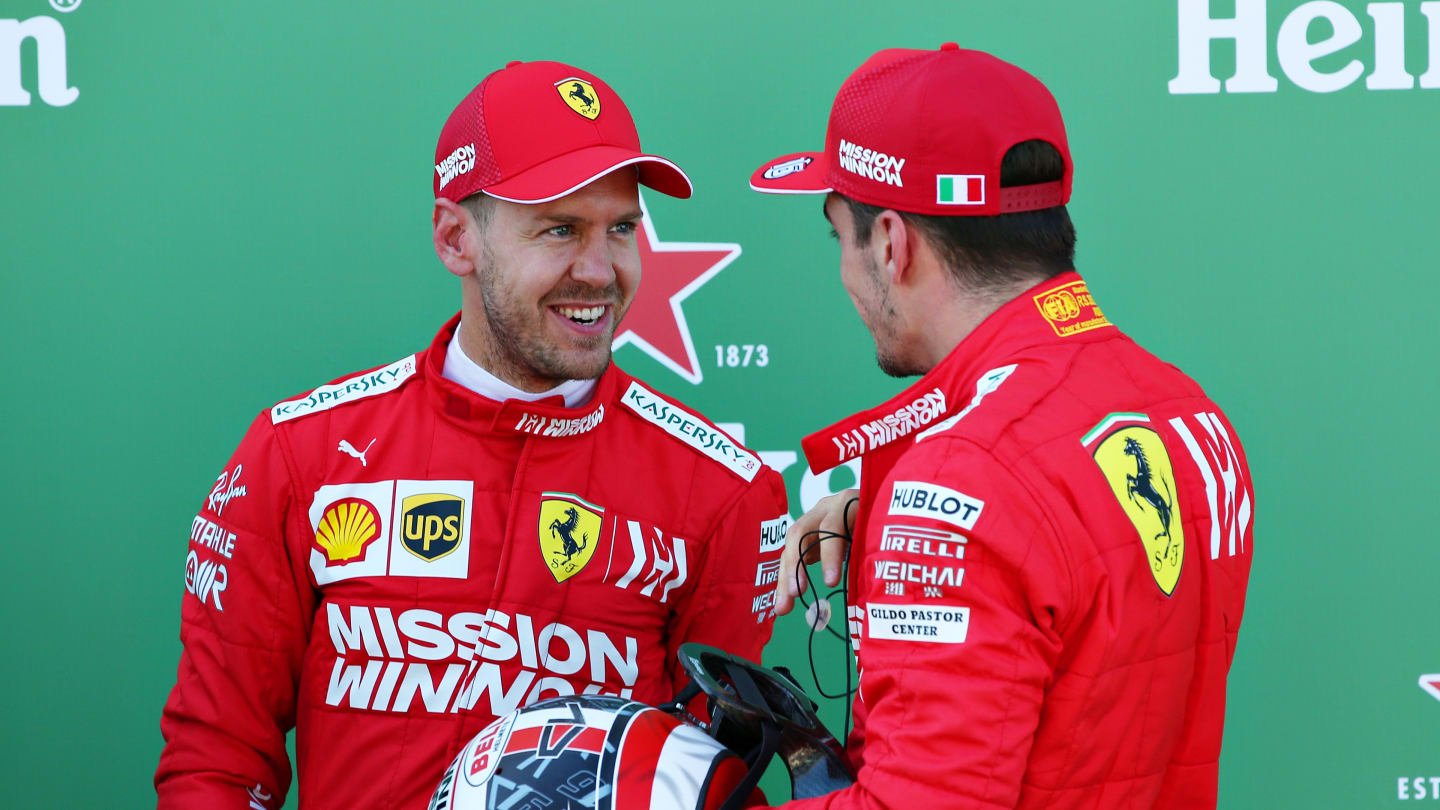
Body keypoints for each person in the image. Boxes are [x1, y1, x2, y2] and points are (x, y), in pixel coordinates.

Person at [156, 60, 789, 810]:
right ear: (457, 239)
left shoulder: (723, 490)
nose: (600, 270)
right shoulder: (301, 455)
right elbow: (219, 765)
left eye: (621, 228)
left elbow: (711, 780)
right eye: (560, 230)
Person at [749, 44, 1254, 809]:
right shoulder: (1186, 408)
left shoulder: (962, 478)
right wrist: (896, 531)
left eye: (838, 238)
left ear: (890, 244)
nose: (846, 274)